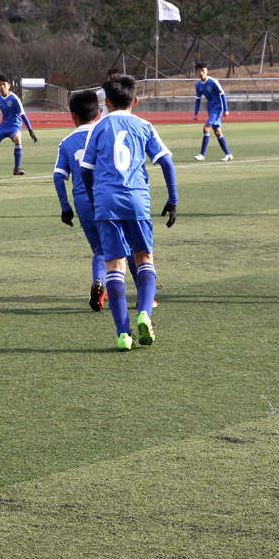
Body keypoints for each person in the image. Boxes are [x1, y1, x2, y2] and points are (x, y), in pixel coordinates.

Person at [80, 74, 177, 351]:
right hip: (136, 199)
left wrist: (93, 197)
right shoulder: (144, 125)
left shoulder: (98, 127)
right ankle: (145, 313)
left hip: (106, 201)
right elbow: (166, 161)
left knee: (115, 264)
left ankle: (123, 334)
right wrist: (173, 197)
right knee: (144, 257)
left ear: (106, 103)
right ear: (135, 100)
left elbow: (86, 170)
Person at [54, 89, 107, 311]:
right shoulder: (105, 133)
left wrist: (65, 208)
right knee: (124, 248)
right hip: (107, 198)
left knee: (99, 250)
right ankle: (141, 294)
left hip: (83, 203)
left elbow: (58, 177)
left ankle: (99, 281)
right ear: (97, 113)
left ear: (73, 115)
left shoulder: (66, 142)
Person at [192, 62, 233, 162]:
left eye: (203, 70)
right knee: (217, 132)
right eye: (199, 71)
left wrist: (226, 109)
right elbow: (198, 99)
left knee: (206, 128)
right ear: (196, 73)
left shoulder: (213, 81)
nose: (201, 73)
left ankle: (202, 155)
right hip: (211, 109)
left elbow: (222, 94)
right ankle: (228, 154)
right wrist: (196, 113)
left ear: (207, 71)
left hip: (218, 108)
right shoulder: (198, 85)